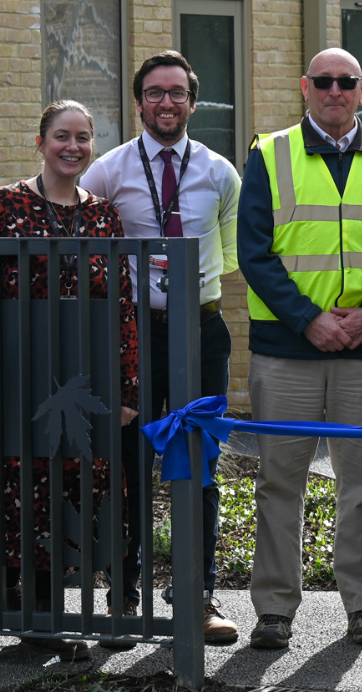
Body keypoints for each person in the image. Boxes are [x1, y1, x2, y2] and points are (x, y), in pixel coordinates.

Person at [237, 47, 362, 649]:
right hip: (286, 349)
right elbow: (254, 252)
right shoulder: (270, 154)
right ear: (305, 87)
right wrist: (308, 320)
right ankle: (273, 610)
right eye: (323, 81)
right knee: (279, 485)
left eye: (346, 81)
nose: (334, 91)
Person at [80, 50, 240, 645]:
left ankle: (198, 597)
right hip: (133, 336)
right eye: (154, 92)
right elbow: (82, 235)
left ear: (192, 103)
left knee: (199, 463)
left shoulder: (220, 172)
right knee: (128, 465)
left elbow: (229, 253)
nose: (166, 103)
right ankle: (124, 597)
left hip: (201, 333)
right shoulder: (109, 170)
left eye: (177, 93)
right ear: (139, 102)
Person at [0, 100, 139, 660]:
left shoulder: (105, 216)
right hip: (19, 379)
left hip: (85, 382)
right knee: (20, 491)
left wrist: (127, 388)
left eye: (83, 137)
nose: (73, 147)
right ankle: (31, 612)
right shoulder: (7, 204)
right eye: (62, 136)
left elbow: (122, 305)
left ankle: (58, 613)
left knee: (75, 492)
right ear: (41, 142)